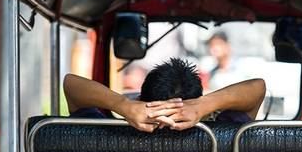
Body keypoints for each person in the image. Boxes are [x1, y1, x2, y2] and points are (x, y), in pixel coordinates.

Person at [63, 58, 265, 132]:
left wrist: (122, 105)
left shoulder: (107, 135)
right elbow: (258, 88)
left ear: (140, 102)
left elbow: (70, 85)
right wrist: (204, 105)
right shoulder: (221, 135)